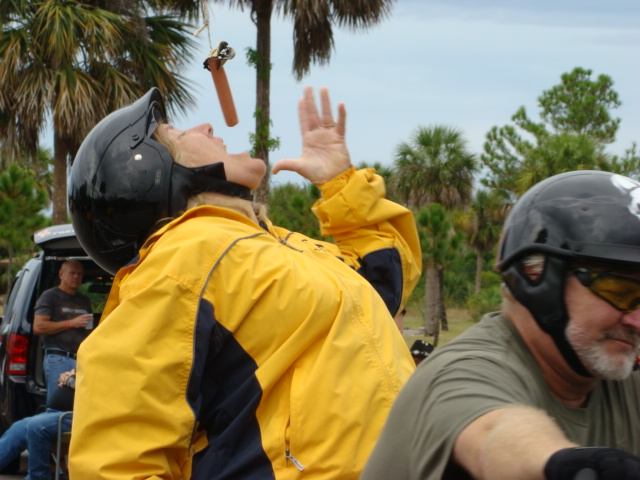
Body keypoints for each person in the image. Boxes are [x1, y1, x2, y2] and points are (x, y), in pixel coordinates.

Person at [67, 86, 422, 479]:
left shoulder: (282, 246)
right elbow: (117, 460)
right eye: (181, 134)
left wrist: (340, 183)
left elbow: (385, 286)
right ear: (150, 172)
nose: (205, 125)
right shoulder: (183, 259)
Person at [363, 170, 640, 480]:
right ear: (539, 278)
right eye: (620, 290)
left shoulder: (620, 379)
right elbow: (493, 434)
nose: (637, 320)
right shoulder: (463, 370)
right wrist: (562, 464)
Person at [33, 260, 93, 403]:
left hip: (81, 360)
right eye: (72, 273)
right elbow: (38, 327)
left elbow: (89, 331)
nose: (76, 276)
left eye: (79, 274)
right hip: (58, 358)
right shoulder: (50, 296)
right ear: (61, 274)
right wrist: (71, 323)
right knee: (59, 404)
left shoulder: (84, 301)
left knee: (79, 404)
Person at [0, 370, 75, 480]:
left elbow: (87, 384)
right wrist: (71, 376)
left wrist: (70, 379)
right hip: (57, 413)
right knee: (20, 426)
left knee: (37, 426)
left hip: (76, 416)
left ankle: (37, 477)